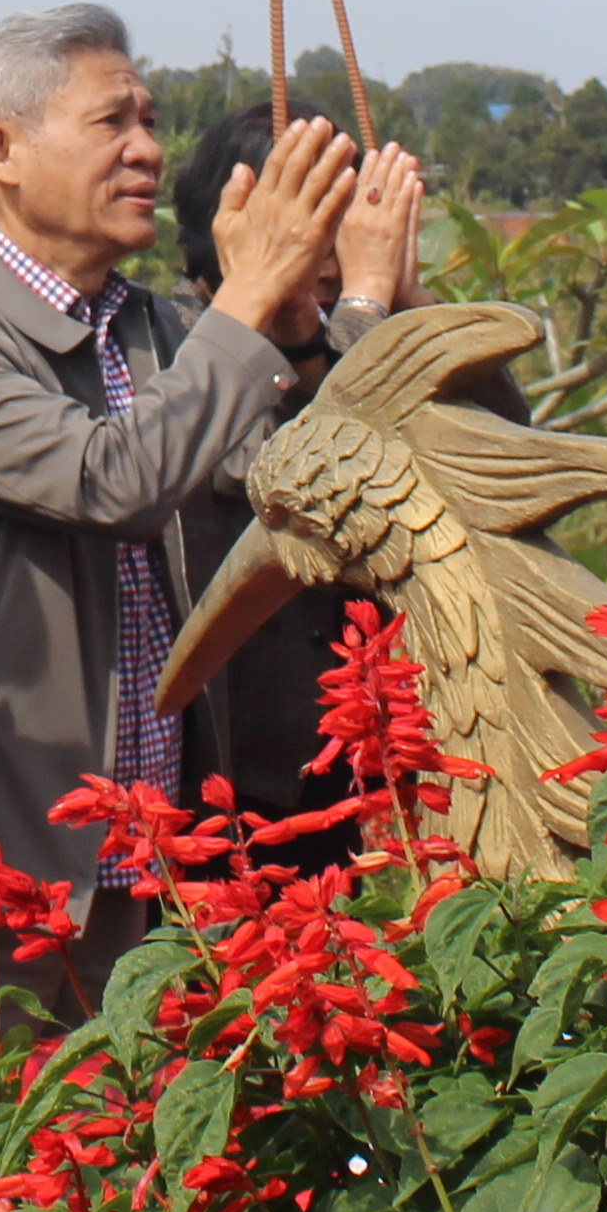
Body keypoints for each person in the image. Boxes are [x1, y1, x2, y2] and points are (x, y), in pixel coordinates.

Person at [0, 6, 353, 1036]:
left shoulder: (158, 329)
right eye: (113, 120)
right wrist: (247, 303)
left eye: (151, 118)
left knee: (141, 1189)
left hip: (148, 877)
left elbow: (302, 485)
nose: (150, 150)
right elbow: (111, 479)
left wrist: (303, 336)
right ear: (5, 151)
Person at [166, 103, 451, 836]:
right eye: (308, 216)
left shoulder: (342, 331)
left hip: (368, 754)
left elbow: (489, 448)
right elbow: (288, 476)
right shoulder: (178, 340)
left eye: (346, 217)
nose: (330, 249)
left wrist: (412, 306)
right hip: (241, 777)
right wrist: (359, 308)